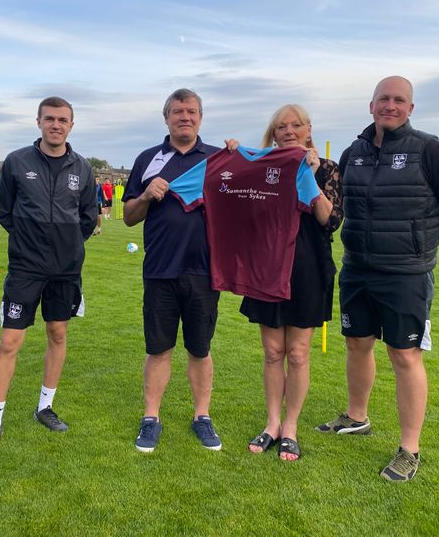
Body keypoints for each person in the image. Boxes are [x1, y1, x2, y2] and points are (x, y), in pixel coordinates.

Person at [316, 76, 439, 481]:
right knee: (357, 344)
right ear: (371, 106)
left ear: (410, 108)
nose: (391, 105)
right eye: (383, 99)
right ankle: (357, 417)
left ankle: (409, 448)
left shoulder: (430, 149)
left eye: (399, 100)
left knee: (404, 355)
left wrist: (424, 245)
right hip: (357, 268)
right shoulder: (353, 153)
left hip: (406, 275)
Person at [0, 96, 96, 460]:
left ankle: (45, 407)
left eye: (62, 120)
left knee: (57, 333)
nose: (56, 125)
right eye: (49, 118)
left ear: (71, 125)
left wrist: (66, 245)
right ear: (38, 122)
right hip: (26, 267)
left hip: (66, 269)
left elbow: (87, 217)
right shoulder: (16, 161)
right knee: (10, 341)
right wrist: (32, 242)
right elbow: (5, 212)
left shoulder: (83, 167)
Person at [123, 88, 223, 453]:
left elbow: (246, 194)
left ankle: (202, 416)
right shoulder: (148, 159)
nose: (185, 117)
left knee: (200, 349)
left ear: (201, 117)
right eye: (178, 111)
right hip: (160, 270)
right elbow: (129, 216)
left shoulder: (217, 159)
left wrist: (237, 153)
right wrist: (146, 195)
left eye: (192, 111)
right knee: (159, 349)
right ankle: (151, 417)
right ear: (166, 118)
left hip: (204, 271)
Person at [241, 104, 342, 461]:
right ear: (273, 133)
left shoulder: (326, 168)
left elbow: (330, 221)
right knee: (272, 352)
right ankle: (272, 423)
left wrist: (309, 176)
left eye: (295, 125)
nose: (288, 131)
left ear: (308, 129)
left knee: (298, 354)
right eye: (281, 127)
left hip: (308, 268)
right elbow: (247, 213)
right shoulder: (263, 168)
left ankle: (291, 427)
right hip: (268, 268)